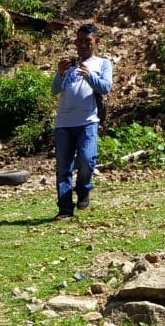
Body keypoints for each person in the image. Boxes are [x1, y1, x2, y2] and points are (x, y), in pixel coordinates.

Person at [51, 22, 113, 220]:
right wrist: (60, 73)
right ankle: (65, 209)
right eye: (80, 41)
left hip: (88, 121)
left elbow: (106, 87)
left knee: (87, 160)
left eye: (88, 41)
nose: (83, 45)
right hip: (63, 123)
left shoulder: (102, 63)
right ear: (75, 43)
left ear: (96, 42)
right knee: (63, 168)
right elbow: (54, 90)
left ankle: (84, 189)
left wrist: (89, 76)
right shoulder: (68, 65)